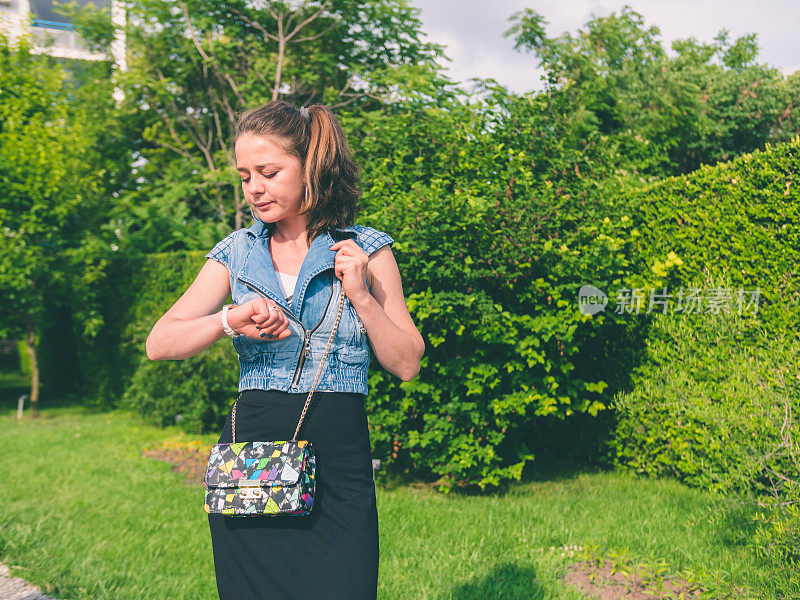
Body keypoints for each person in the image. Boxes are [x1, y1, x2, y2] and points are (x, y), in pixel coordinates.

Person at [145, 100, 425, 600]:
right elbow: (159, 343)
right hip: (251, 457)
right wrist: (230, 320)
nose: (254, 188)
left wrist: (361, 294)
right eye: (245, 175)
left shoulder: (367, 249)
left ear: (310, 166)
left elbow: (406, 363)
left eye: (269, 172)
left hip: (339, 458)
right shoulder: (236, 252)